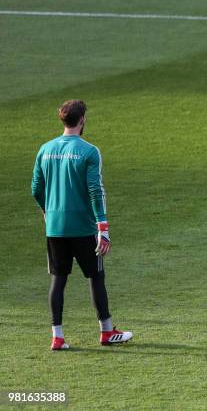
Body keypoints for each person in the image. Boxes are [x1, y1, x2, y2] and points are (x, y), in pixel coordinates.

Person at [32, 100, 133, 350]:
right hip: (84, 227)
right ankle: (107, 332)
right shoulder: (89, 151)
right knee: (96, 276)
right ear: (82, 119)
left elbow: (35, 188)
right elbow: (95, 190)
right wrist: (103, 228)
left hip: (55, 227)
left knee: (58, 280)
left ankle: (57, 337)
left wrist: (47, 211)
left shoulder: (45, 149)